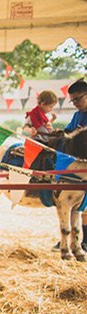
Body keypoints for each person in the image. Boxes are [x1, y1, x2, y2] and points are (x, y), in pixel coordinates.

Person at [66, 79, 87, 252]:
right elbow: (68, 133)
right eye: (72, 101)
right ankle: (77, 239)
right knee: (79, 205)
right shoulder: (77, 115)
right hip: (79, 167)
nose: (75, 104)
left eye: (78, 99)